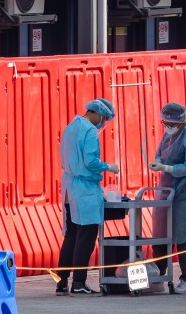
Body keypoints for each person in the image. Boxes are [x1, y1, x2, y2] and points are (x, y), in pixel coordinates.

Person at [56, 97, 119, 295]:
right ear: (97, 113)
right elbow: (91, 161)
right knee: (86, 237)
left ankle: (61, 281)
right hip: (84, 189)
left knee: (71, 236)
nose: (104, 123)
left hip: (68, 187)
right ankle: (79, 283)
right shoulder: (90, 130)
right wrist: (109, 167)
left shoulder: (71, 126)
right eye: (105, 118)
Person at [148, 102, 186, 294]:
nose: (168, 127)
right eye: (165, 123)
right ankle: (158, 276)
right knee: (160, 234)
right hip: (167, 190)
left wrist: (167, 168)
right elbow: (161, 153)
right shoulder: (169, 134)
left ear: (183, 121)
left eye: (172, 123)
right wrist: (158, 161)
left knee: (184, 235)